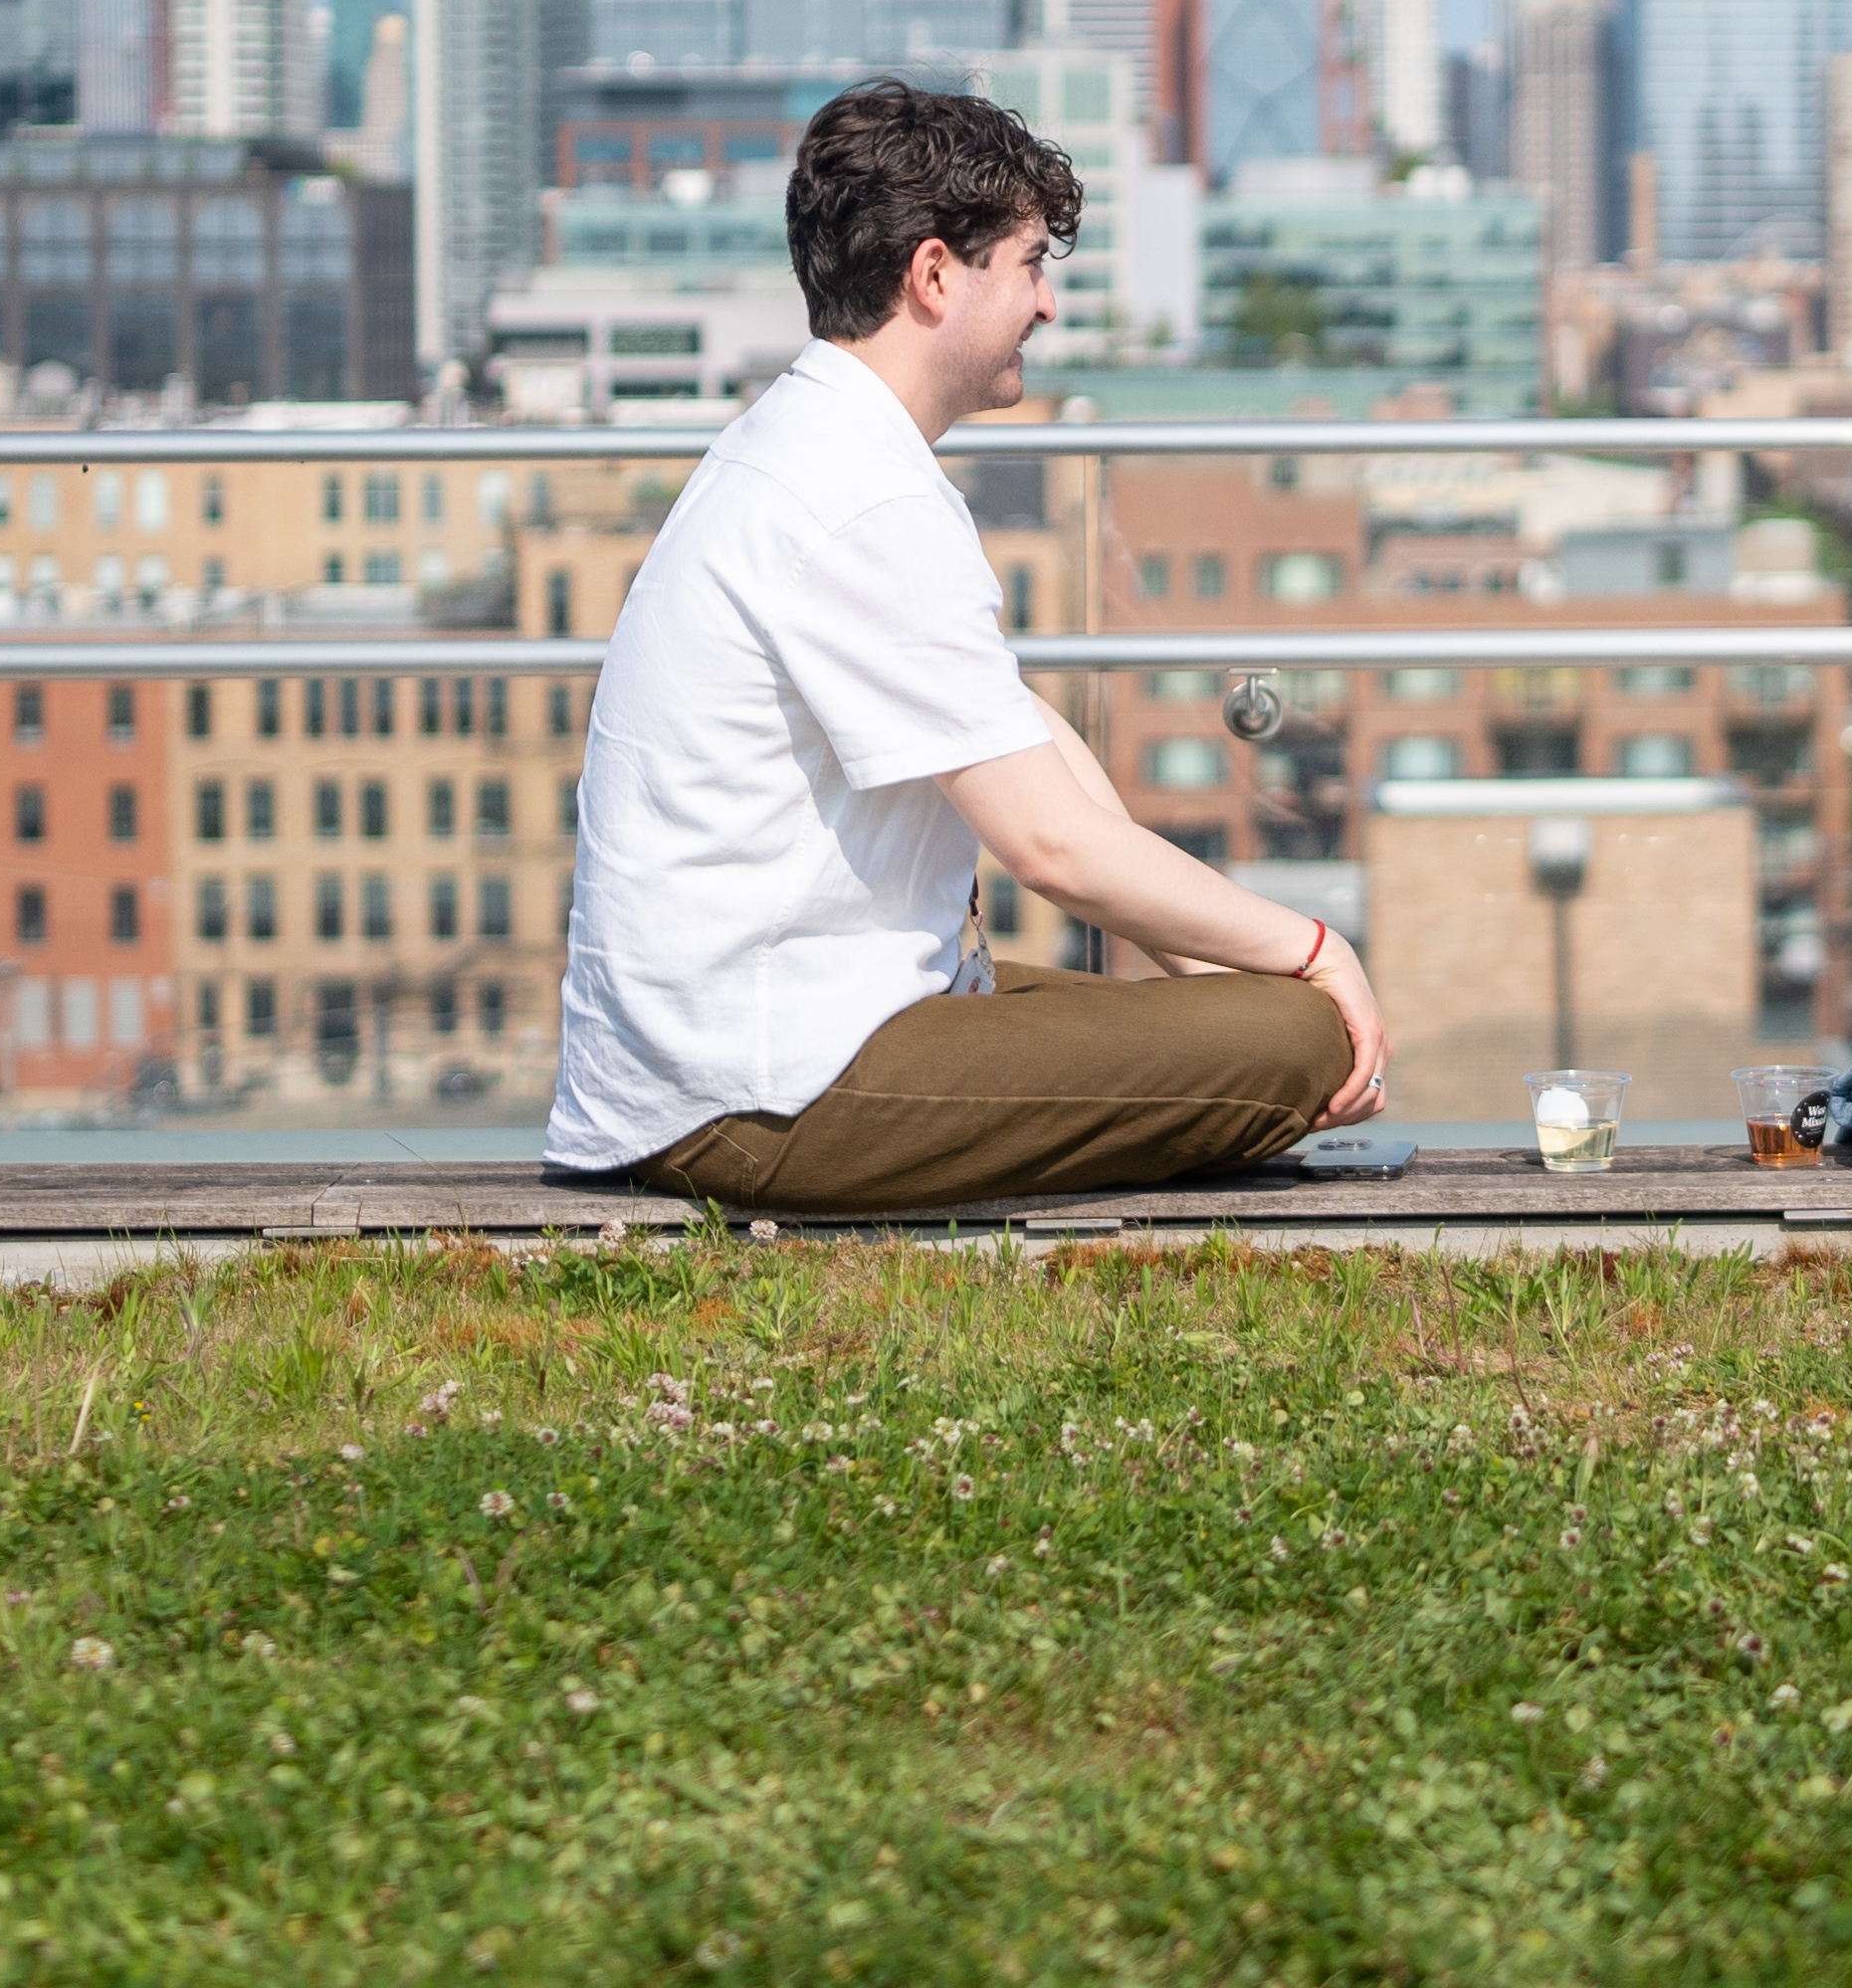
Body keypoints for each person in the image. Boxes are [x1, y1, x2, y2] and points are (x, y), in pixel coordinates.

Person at [543, 79, 1389, 1213]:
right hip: (762, 1100)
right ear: (936, 275)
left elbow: (1023, 741)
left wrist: (1214, 967)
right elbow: (1049, 849)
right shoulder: (863, 498)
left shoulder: (804, 443)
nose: (1047, 305)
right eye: (1032, 264)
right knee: (1298, 1037)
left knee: (1245, 1013)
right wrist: (1314, 954)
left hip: (731, 1053)